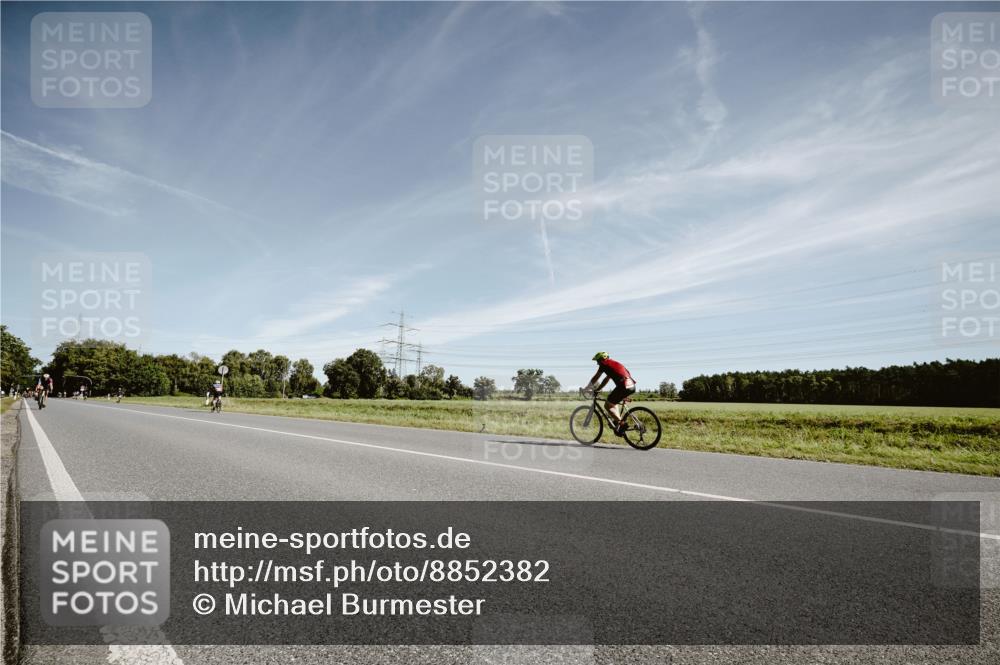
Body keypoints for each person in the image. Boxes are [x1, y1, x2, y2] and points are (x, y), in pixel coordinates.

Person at [585, 352, 636, 435]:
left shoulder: (604, 364)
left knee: (607, 405)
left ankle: (622, 424)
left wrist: (587, 388)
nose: (597, 363)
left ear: (602, 359)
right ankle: (618, 423)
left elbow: (596, 377)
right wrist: (598, 389)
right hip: (631, 386)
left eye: (597, 361)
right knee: (613, 402)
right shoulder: (613, 364)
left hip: (623, 386)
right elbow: (606, 379)